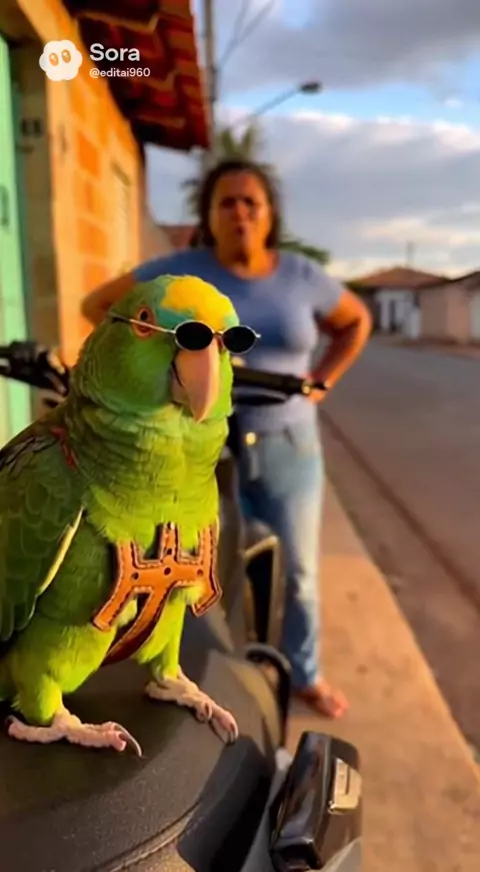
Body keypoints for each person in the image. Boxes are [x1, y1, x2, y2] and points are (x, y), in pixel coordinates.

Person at [82, 158, 372, 718]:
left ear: (269, 215)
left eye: (251, 203)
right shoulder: (180, 273)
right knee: (197, 569)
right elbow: (98, 307)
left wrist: (322, 382)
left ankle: (304, 673)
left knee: (299, 572)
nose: (240, 213)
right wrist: (141, 374)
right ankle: (209, 669)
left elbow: (355, 321)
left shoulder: (301, 277)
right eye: (226, 202)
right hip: (197, 449)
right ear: (208, 216)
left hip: (288, 443)